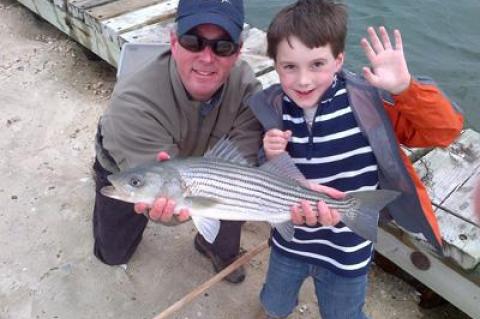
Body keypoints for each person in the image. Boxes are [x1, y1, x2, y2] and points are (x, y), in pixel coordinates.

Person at [92, 0, 340, 284]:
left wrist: (295, 191)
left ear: (237, 52)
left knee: (230, 198)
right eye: (192, 42)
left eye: (222, 46)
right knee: (112, 253)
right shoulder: (133, 105)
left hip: (208, 174)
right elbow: (167, 206)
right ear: (173, 41)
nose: (207, 58)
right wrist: (165, 206)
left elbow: (237, 171)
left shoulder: (247, 89)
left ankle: (212, 247)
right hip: (134, 161)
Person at [248, 0, 464, 317]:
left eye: (317, 64)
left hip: (347, 249)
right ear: (275, 64)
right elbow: (267, 177)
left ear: (339, 60)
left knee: (344, 313)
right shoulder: (274, 108)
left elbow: (444, 131)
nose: (303, 80)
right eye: (289, 66)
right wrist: (269, 154)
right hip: (289, 242)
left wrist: (406, 89)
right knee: (275, 304)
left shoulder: (369, 104)